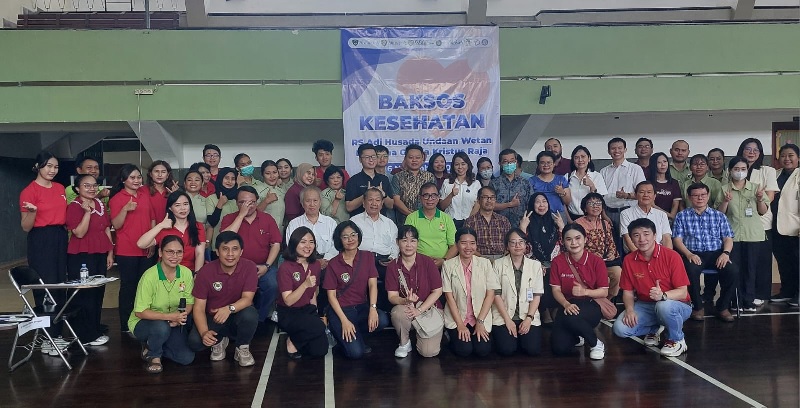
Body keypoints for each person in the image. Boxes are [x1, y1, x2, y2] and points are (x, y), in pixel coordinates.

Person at [612, 218, 692, 357]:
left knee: (663, 306)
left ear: (655, 236)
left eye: (646, 233)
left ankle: (677, 339)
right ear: (631, 239)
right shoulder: (629, 260)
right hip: (645, 305)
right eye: (636, 235)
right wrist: (630, 310)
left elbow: (682, 292)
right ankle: (655, 328)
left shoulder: (672, 256)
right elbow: (628, 291)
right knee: (620, 329)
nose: (642, 239)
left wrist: (663, 296)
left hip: (677, 305)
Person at [189, 231, 258, 367]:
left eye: (235, 249)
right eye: (225, 249)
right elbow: (198, 307)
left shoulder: (249, 267)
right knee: (195, 342)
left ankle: (242, 347)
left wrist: (229, 309)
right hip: (214, 317)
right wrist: (204, 332)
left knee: (250, 314)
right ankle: (219, 341)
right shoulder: (205, 272)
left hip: (237, 313)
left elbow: (248, 299)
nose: (230, 254)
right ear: (217, 251)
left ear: (241, 251)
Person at [19, 151, 68, 342]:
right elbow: (25, 226)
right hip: (40, 238)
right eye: (48, 166)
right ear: (38, 166)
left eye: (55, 167)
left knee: (60, 284)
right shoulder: (29, 191)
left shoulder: (60, 188)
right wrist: (33, 212)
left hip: (60, 236)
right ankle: (48, 336)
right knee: (45, 286)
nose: (52, 170)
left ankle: (58, 333)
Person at [673, 183, 739, 322]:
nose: (700, 198)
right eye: (696, 195)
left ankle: (723, 307)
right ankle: (697, 307)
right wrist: (688, 254)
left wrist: (725, 253)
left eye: (703, 195)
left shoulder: (719, 216)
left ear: (708, 196)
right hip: (693, 253)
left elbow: (728, 238)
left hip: (717, 253)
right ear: (690, 198)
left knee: (733, 270)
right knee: (689, 270)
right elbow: (677, 240)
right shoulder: (682, 216)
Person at [323, 221, 389, 359]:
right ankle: (340, 333)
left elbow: (372, 285)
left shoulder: (368, 257)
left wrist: (373, 308)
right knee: (355, 353)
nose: (350, 239)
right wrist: (344, 321)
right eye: (345, 237)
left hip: (361, 308)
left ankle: (354, 336)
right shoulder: (334, 263)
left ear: (358, 236)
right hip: (341, 311)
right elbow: (331, 296)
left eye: (353, 234)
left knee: (382, 319)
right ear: (339, 240)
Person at [130, 235, 195, 373]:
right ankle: (154, 356)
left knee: (186, 358)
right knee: (161, 328)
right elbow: (140, 312)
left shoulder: (186, 273)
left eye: (179, 252)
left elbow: (189, 302)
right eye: (169, 251)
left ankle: (151, 345)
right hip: (145, 322)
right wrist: (170, 317)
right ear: (160, 252)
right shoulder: (149, 276)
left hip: (173, 321)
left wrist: (179, 317)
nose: (175, 256)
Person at [221, 186, 282, 322]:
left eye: (252, 202)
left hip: (262, 266)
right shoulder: (229, 218)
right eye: (243, 202)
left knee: (273, 284)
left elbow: (276, 244)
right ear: (236, 203)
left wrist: (266, 265)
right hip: (236, 268)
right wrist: (241, 215)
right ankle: (236, 318)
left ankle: (259, 318)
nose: (248, 206)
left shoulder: (267, 219)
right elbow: (225, 239)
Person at [66, 174, 113, 346]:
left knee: (98, 291)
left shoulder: (100, 203)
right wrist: (87, 213)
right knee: (84, 294)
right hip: (81, 255)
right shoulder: (75, 206)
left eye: (95, 185)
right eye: (87, 186)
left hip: (100, 252)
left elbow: (106, 227)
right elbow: (79, 233)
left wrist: (110, 253)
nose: (92, 188)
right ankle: (84, 335)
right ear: (77, 188)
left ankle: (94, 328)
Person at [717, 157, 770, 312]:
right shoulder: (724, 188)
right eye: (736, 169)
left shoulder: (756, 188)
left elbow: (763, 211)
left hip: (752, 234)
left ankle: (748, 300)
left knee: (750, 269)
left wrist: (760, 199)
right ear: (730, 170)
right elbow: (720, 213)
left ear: (747, 170)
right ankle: (735, 301)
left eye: (743, 169)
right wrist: (725, 201)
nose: (739, 172)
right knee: (734, 270)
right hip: (732, 236)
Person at [549, 224, 609, 359]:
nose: (574, 243)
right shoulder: (558, 261)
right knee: (559, 348)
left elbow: (604, 292)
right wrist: (565, 304)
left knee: (571, 317)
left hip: (591, 303)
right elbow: (556, 290)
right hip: (567, 304)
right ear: (563, 242)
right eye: (569, 239)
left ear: (585, 239)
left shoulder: (596, 261)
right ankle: (578, 335)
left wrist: (585, 292)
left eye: (578, 238)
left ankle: (596, 343)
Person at [385, 225, 444, 358]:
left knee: (429, 353)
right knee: (398, 312)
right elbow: (392, 296)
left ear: (418, 242)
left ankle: (420, 333)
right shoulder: (393, 266)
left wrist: (420, 309)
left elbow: (437, 291)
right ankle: (404, 343)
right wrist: (404, 300)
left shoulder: (428, 262)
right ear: (397, 242)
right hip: (407, 309)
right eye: (404, 240)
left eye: (413, 240)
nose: (409, 245)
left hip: (428, 309)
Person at [109, 164, 155, 333]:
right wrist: (125, 209)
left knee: (145, 287)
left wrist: (152, 241)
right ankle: (125, 324)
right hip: (127, 250)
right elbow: (116, 224)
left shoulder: (144, 194)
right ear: (123, 180)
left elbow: (152, 219)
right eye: (132, 178)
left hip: (146, 248)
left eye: (138, 177)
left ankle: (142, 321)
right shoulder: (117, 199)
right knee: (129, 287)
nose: (137, 180)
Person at [441, 227, 500, 357]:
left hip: (480, 316)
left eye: (472, 243)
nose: (468, 247)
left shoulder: (485, 264)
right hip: (458, 317)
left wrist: (480, 322)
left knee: (482, 351)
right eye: (463, 243)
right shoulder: (448, 265)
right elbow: (449, 297)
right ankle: (450, 336)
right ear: (457, 245)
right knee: (464, 351)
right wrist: (460, 325)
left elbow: (490, 294)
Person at [736, 138, 780, 307]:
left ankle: (760, 293)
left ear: (760, 153)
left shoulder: (767, 170)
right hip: (740, 223)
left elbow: (770, 197)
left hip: (761, 221)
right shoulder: (734, 169)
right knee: (744, 261)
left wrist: (755, 206)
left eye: (756, 150)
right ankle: (744, 294)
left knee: (760, 261)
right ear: (742, 150)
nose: (752, 152)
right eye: (748, 149)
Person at [276, 227, 328, 359]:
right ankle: (292, 341)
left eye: (311, 242)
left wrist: (315, 313)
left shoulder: (315, 264)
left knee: (320, 350)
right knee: (319, 326)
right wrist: (305, 284)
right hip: (288, 312)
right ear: (294, 244)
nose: (308, 246)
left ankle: (297, 337)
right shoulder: (285, 267)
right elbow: (288, 301)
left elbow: (313, 293)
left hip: (306, 309)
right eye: (303, 242)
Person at [491, 228, 544, 356]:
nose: (517, 246)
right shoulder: (497, 264)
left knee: (533, 350)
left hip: (527, 314)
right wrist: (507, 320)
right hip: (505, 315)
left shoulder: (535, 265)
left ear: (526, 245)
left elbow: (536, 295)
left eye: (521, 242)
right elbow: (496, 294)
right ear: (507, 246)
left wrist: (529, 318)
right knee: (506, 350)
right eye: (513, 242)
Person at [351, 187, 399, 311]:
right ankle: (361, 308)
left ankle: (387, 311)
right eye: (370, 200)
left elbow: (395, 245)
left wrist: (392, 258)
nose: (374, 203)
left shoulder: (389, 223)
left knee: (394, 275)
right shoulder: (354, 222)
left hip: (384, 260)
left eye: (378, 200)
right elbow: (349, 245)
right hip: (361, 260)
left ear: (382, 204)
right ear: (363, 202)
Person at [137, 190, 206, 273]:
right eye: (177, 205)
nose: (182, 208)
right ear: (170, 208)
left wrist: (197, 274)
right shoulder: (164, 228)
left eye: (185, 204)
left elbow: (200, 253)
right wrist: (161, 225)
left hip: (189, 271)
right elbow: (141, 244)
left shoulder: (198, 226)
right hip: (165, 272)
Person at [600, 137, 646, 256]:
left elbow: (643, 193)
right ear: (609, 151)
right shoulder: (603, 171)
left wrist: (627, 195)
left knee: (630, 244)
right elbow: (600, 196)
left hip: (629, 211)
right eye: (613, 148)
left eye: (620, 148)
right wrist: (603, 214)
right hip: (609, 213)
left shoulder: (635, 169)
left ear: (625, 149)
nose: (616, 151)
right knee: (612, 245)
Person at [574, 194, 621, 300]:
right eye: (591, 203)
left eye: (598, 203)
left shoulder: (605, 223)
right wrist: (592, 256)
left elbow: (611, 243)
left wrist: (612, 254)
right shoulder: (578, 224)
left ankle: (606, 300)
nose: (595, 206)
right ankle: (597, 301)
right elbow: (575, 247)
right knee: (605, 280)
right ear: (585, 208)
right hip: (587, 263)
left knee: (618, 273)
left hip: (604, 262)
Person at [770, 144, 800, 305]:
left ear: (798, 158)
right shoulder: (775, 174)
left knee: (798, 262)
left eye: (791, 155)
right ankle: (787, 291)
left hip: (795, 227)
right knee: (784, 261)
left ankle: (798, 294)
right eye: (783, 156)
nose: (787, 159)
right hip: (776, 226)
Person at [404, 182, 458, 268]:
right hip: (418, 265)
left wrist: (444, 260)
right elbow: (407, 244)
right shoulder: (411, 218)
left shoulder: (446, 218)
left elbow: (454, 246)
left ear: (438, 197)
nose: (430, 199)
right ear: (420, 198)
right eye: (426, 195)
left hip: (443, 265)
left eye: (433, 195)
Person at [285, 186, 340, 268]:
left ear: (320, 202)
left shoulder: (331, 223)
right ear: (302, 203)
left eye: (315, 201)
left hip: (327, 264)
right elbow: (291, 247)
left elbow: (336, 245)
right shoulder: (294, 224)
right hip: (301, 264)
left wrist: (325, 260)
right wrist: (313, 261)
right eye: (308, 201)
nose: (312, 204)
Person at [620, 181, 673, 253]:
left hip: (659, 254)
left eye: (649, 192)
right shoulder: (625, 213)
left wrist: (668, 256)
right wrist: (645, 257)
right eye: (642, 192)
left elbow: (667, 239)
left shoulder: (662, 215)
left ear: (654, 196)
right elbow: (628, 239)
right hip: (635, 254)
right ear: (635, 195)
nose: (645, 195)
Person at [464, 186, 512, 262]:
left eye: (492, 197)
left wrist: (502, 259)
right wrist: (483, 259)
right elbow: (467, 246)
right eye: (485, 197)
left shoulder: (504, 220)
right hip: (478, 259)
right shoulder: (470, 222)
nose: (489, 200)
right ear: (478, 200)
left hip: (502, 259)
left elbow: (510, 242)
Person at [345, 143, 394, 217]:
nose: (371, 160)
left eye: (373, 156)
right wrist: (366, 194)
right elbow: (349, 207)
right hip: (360, 222)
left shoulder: (384, 179)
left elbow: (391, 205)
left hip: (380, 222)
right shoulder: (353, 180)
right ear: (360, 159)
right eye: (367, 157)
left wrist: (383, 194)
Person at [392, 144, 435, 224]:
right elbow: (396, 200)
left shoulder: (430, 177)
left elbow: (433, 198)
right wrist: (413, 216)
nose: (414, 160)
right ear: (405, 159)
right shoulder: (398, 177)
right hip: (404, 221)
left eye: (418, 158)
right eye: (411, 157)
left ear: (422, 159)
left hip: (427, 220)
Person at [491, 148, 533, 228]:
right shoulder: (494, 183)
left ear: (516, 162)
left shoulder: (525, 183)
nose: (509, 164)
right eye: (506, 162)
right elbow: (490, 205)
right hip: (499, 226)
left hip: (521, 226)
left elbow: (531, 204)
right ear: (500, 163)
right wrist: (509, 204)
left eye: (512, 161)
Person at [520, 192, 565, 266]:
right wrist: (522, 229)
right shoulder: (525, 223)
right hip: (533, 266)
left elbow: (564, 246)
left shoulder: (555, 223)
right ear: (532, 204)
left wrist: (562, 228)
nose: (541, 205)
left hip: (555, 266)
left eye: (544, 201)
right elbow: (521, 248)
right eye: (538, 202)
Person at [439, 152, 481, 229]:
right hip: (450, 222)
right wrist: (451, 195)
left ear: (468, 165)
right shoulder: (447, 182)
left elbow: (478, 204)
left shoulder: (475, 183)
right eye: (457, 164)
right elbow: (442, 206)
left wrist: (469, 221)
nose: (460, 167)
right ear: (453, 166)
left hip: (469, 222)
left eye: (463, 164)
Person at [566, 145, 608, 222]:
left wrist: (591, 185)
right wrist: (569, 220)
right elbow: (564, 202)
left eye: (583, 156)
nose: (580, 160)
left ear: (589, 158)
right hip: (572, 217)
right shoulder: (567, 177)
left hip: (591, 217)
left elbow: (599, 200)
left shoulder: (596, 176)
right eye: (576, 157)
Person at [205, 167, 239, 252]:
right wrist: (220, 204)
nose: (229, 181)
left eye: (233, 179)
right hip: (219, 243)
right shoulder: (211, 199)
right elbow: (212, 222)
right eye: (226, 178)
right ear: (220, 179)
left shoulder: (239, 198)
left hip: (238, 241)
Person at [532, 151, 572, 218]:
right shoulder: (532, 181)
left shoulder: (561, 179)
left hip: (558, 215)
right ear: (538, 165)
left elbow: (567, 202)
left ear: (554, 164)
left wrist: (562, 193)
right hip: (538, 216)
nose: (546, 165)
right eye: (542, 163)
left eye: (549, 162)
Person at [649, 152, 682, 221]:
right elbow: (652, 205)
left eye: (665, 161)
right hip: (653, 218)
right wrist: (669, 215)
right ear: (653, 165)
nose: (663, 164)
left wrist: (672, 216)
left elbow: (675, 204)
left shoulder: (674, 183)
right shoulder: (648, 183)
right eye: (659, 162)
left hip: (670, 220)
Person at [259, 160, 287, 233]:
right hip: (262, 232)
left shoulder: (282, 191)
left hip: (279, 232)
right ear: (262, 175)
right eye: (268, 173)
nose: (272, 176)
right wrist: (266, 201)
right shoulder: (257, 190)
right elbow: (250, 213)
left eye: (275, 172)